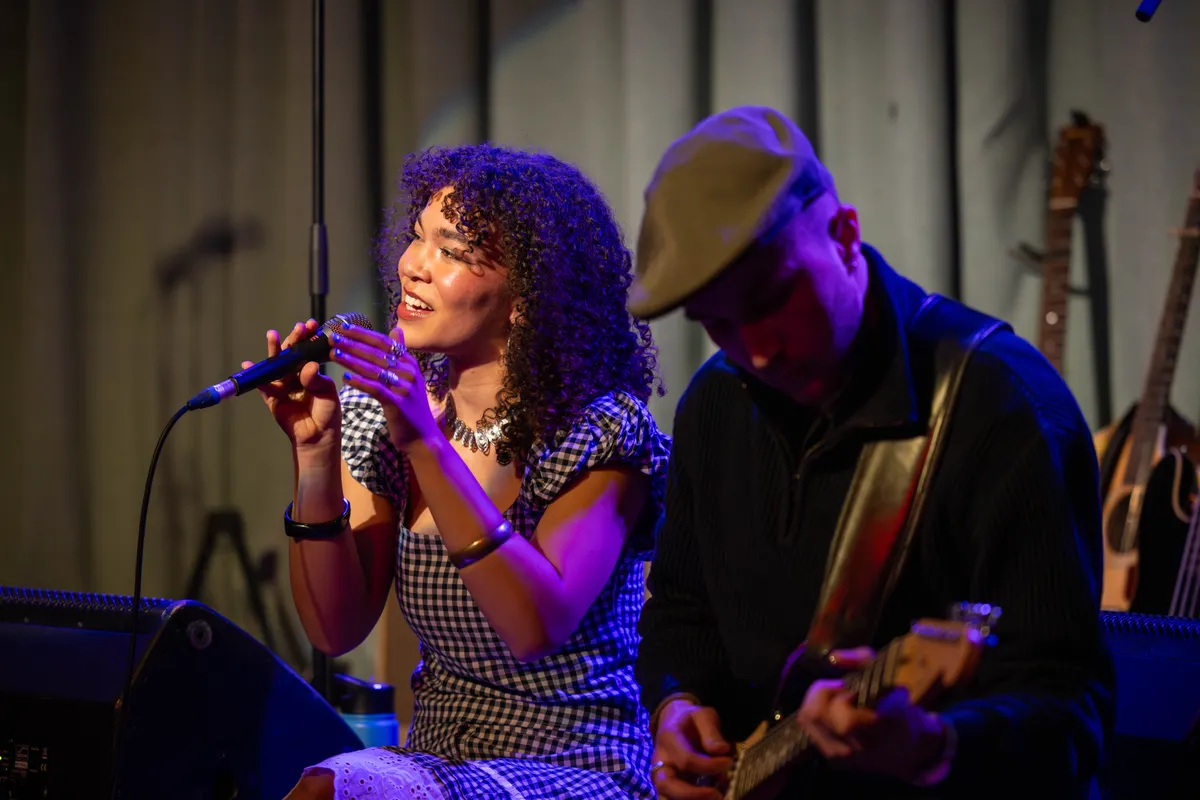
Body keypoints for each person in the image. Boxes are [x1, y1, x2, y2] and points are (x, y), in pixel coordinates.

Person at [630, 106, 1115, 798]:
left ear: (845, 236)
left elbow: (1069, 710)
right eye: (719, 323)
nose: (757, 350)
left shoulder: (1003, 407)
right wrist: (676, 703)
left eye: (775, 297)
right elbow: (682, 609)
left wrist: (935, 747)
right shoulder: (714, 402)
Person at [250, 144, 670, 800]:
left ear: (524, 298)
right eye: (417, 237)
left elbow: (534, 627)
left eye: (450, 251)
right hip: (438, 752)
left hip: (576, 761)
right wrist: (314, 455)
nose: (413, 266)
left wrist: (426, 444)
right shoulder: (381, 414)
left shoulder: (597, 430)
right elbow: (335, 628)